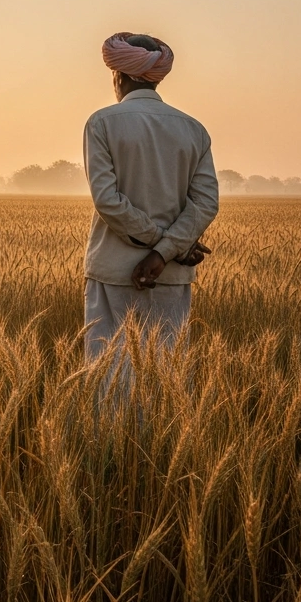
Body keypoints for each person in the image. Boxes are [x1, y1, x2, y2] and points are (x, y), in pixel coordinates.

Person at [82, 32, 218, 399]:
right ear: (156, 77)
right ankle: (162, 452)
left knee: (109, 379)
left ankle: (115, 452)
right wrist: (167, 251)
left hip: (114, 272)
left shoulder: (102, 123)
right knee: (167, 377)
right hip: (172, 275)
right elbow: (206, 202)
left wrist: (159, 246)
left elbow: (108, 200)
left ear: (118, 76)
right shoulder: (193, 129)